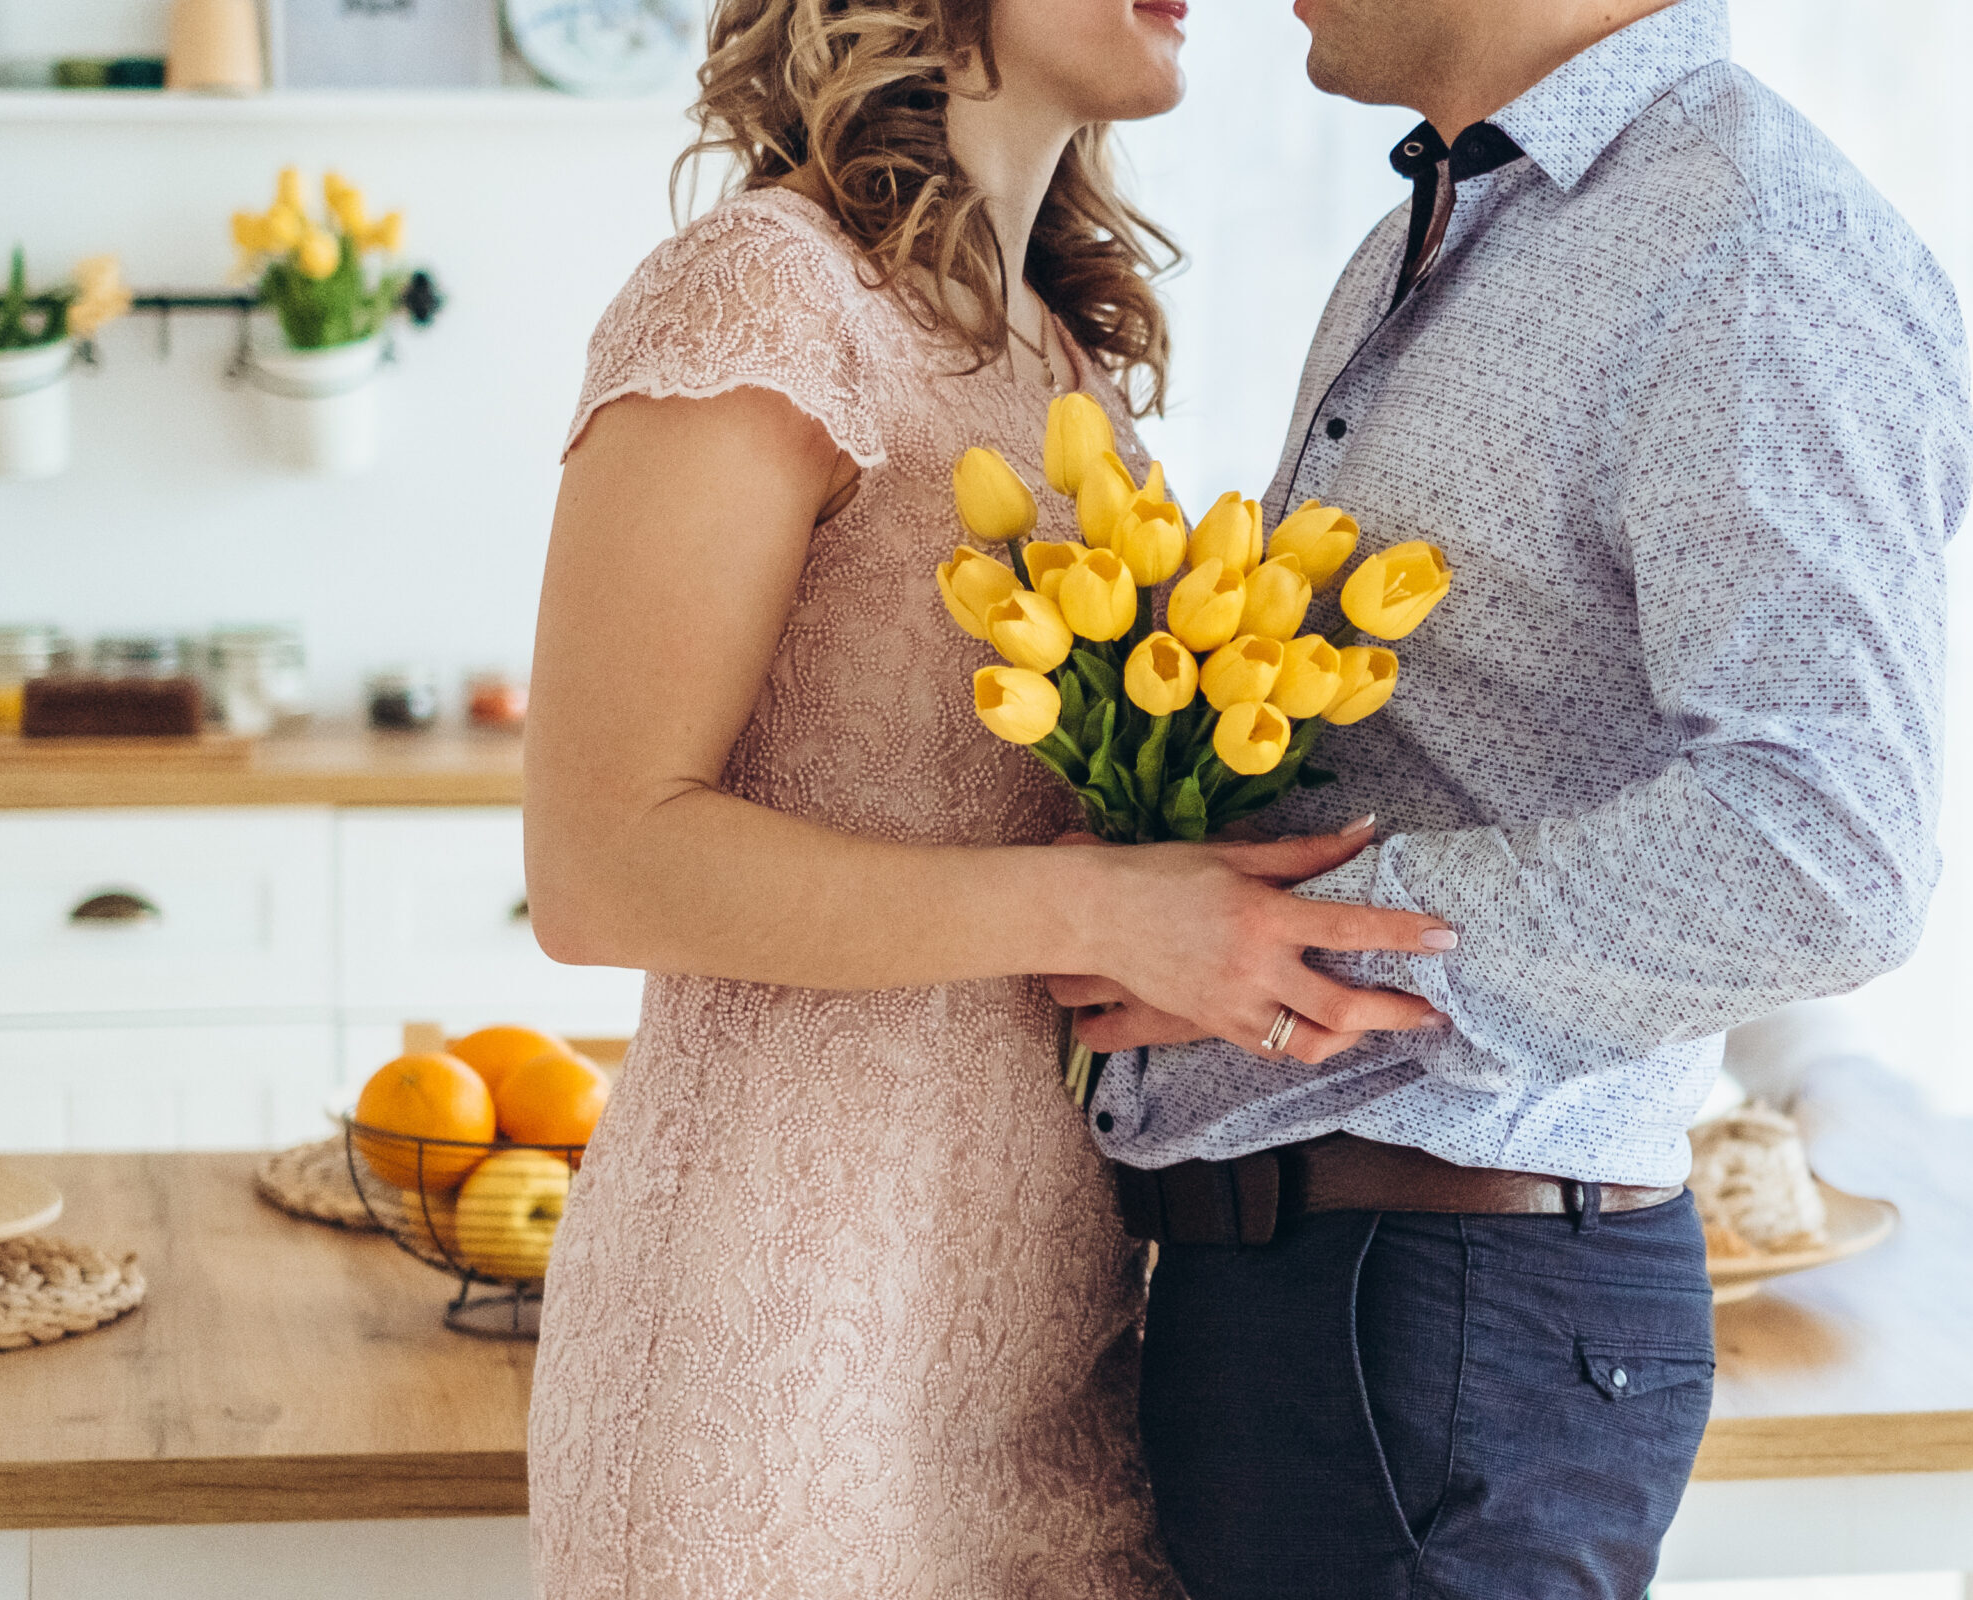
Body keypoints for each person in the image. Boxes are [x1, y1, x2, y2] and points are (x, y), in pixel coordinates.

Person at [515, 0, 1457, 1591]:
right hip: (776, 1348)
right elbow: (600, 860)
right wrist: (1102, 907)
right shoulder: (763, 289)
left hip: (1052, 1347)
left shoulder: (1059, 348)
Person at [1047, 0, 1973, 1594]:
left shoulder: (1754, 248)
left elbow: (1830, 850)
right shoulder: (1456, 227)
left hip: (1436, 1308)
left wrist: (1289, 943)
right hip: (1345, 1301)